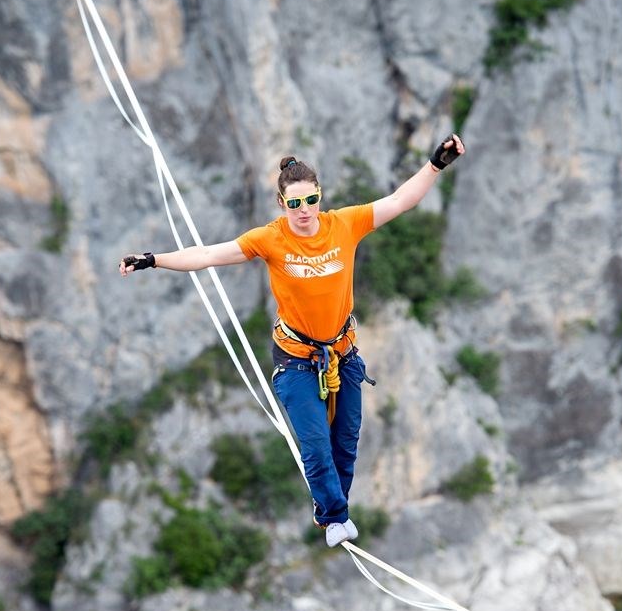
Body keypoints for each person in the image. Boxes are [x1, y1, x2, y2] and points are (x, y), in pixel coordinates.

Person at [119, 134, 465, 547]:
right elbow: (208, 255)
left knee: (346, 440)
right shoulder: (271, 239)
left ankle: (337, 506)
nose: (304, 211)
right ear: (283, 205)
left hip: (342, 352)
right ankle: (334, 516)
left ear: (320, 196)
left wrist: (435, 165)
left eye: (311, 200)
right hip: (297, 359)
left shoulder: (344, 224)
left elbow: (398, 201)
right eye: (295, 204)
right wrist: (154, 260)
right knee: (316, 444)